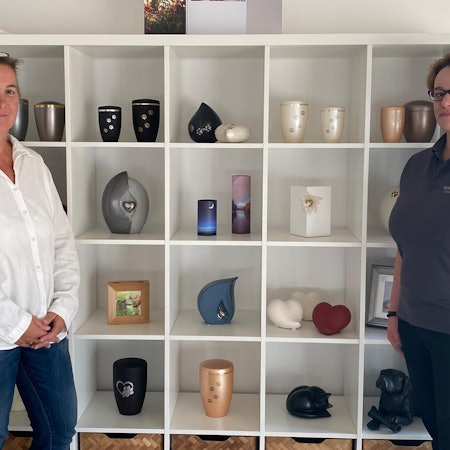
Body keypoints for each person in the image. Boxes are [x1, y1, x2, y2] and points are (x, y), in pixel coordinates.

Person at [0, 53, 79, 449]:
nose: (3, 103)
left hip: (45, 330)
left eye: (10, 91)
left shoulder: (34, 165)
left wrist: (62, 309)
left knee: (59, 430)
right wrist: (17, 325)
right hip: (4, 333)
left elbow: (61, 242)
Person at [388, 53, 450, 450]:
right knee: (435, 428)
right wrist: (394, 313)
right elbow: (404, 248)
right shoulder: (416, 166)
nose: (446, 102)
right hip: (414, 326)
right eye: (439, 93)